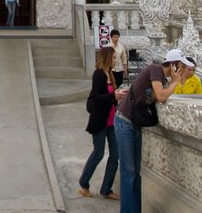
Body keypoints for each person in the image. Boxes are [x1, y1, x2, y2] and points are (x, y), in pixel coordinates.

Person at [114, 48, 185, 213]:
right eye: (180, 66)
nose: (181, 71)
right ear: (173, 65)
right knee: (129, 172)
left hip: (135, 124)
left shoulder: (161, 78)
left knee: (135, 173)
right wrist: (175, 81)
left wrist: (173, 82)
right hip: (124, 121)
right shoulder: (155, 69)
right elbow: (161, 96)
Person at [78, 46, 127, 200]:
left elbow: (111, 97)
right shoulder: (98, 75)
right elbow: (95, 97)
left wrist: (118, 96)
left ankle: (106, 189)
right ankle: (84, 183)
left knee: (115, 154)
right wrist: (113, 95)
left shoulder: (110, 75)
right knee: (98, 153)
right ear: (106, 58)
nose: (115, 60)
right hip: (100, 121)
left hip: (112, 121)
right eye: (113, 58)